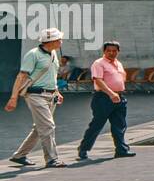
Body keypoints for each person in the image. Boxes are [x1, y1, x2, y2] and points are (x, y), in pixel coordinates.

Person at [5, 27, 67, 168]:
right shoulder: (33, 55)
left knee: (40, 128)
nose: (61, 41)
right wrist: (13, 98)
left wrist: (57, 92)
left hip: (50, 95)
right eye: (59, 39)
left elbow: (51, 75)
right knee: (48, 126)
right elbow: (21, 76)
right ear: (51, 41)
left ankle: (19, 155)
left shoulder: (53, 54)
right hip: (35, 95)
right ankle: (52, 159)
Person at [76, 41, 134, 160]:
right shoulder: (99, 63)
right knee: (97, 124)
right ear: (104, 51)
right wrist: (111, 93)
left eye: (114, 51)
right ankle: (83, 148)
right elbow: (98, 80)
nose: (111, 53)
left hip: (119, 97)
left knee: (120, 124)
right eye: (109, 51)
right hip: (103, 98)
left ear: (118, 51)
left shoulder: (118, 63)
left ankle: (121, 149)